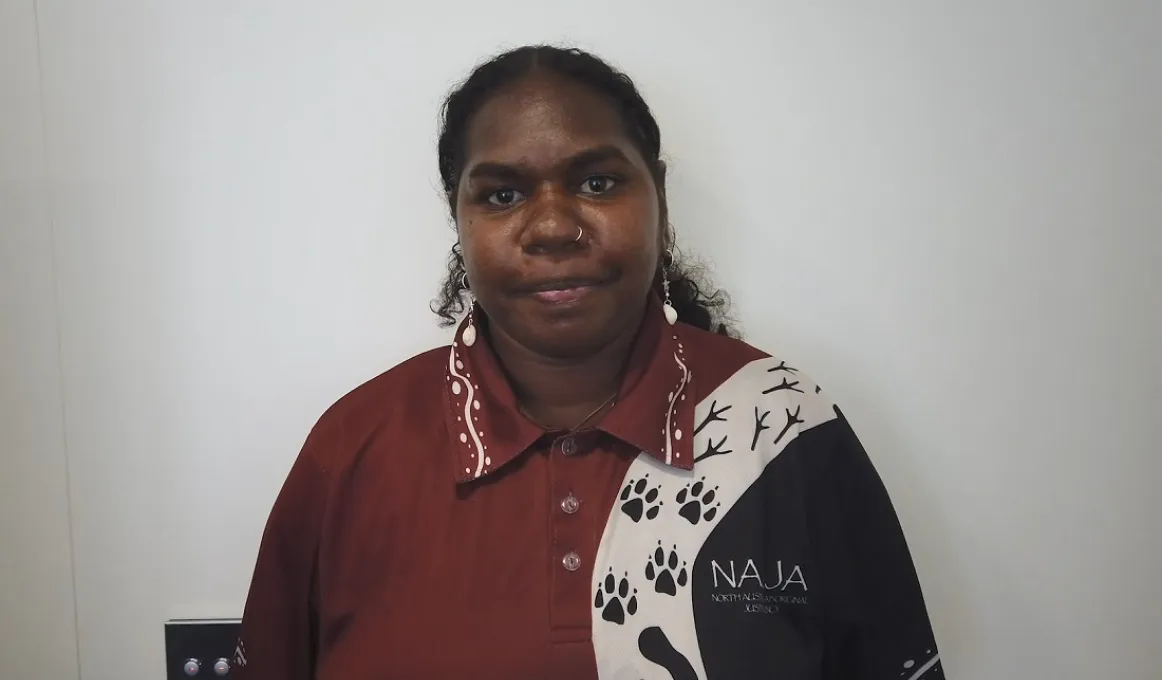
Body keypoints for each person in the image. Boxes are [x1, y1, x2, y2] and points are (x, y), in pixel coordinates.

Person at [233, 45, 945, 680]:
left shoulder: (783, 427)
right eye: (503, 194)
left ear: (658, 193)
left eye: (598, 183)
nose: (552, 226)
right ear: (459, 216)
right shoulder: (353, 450)